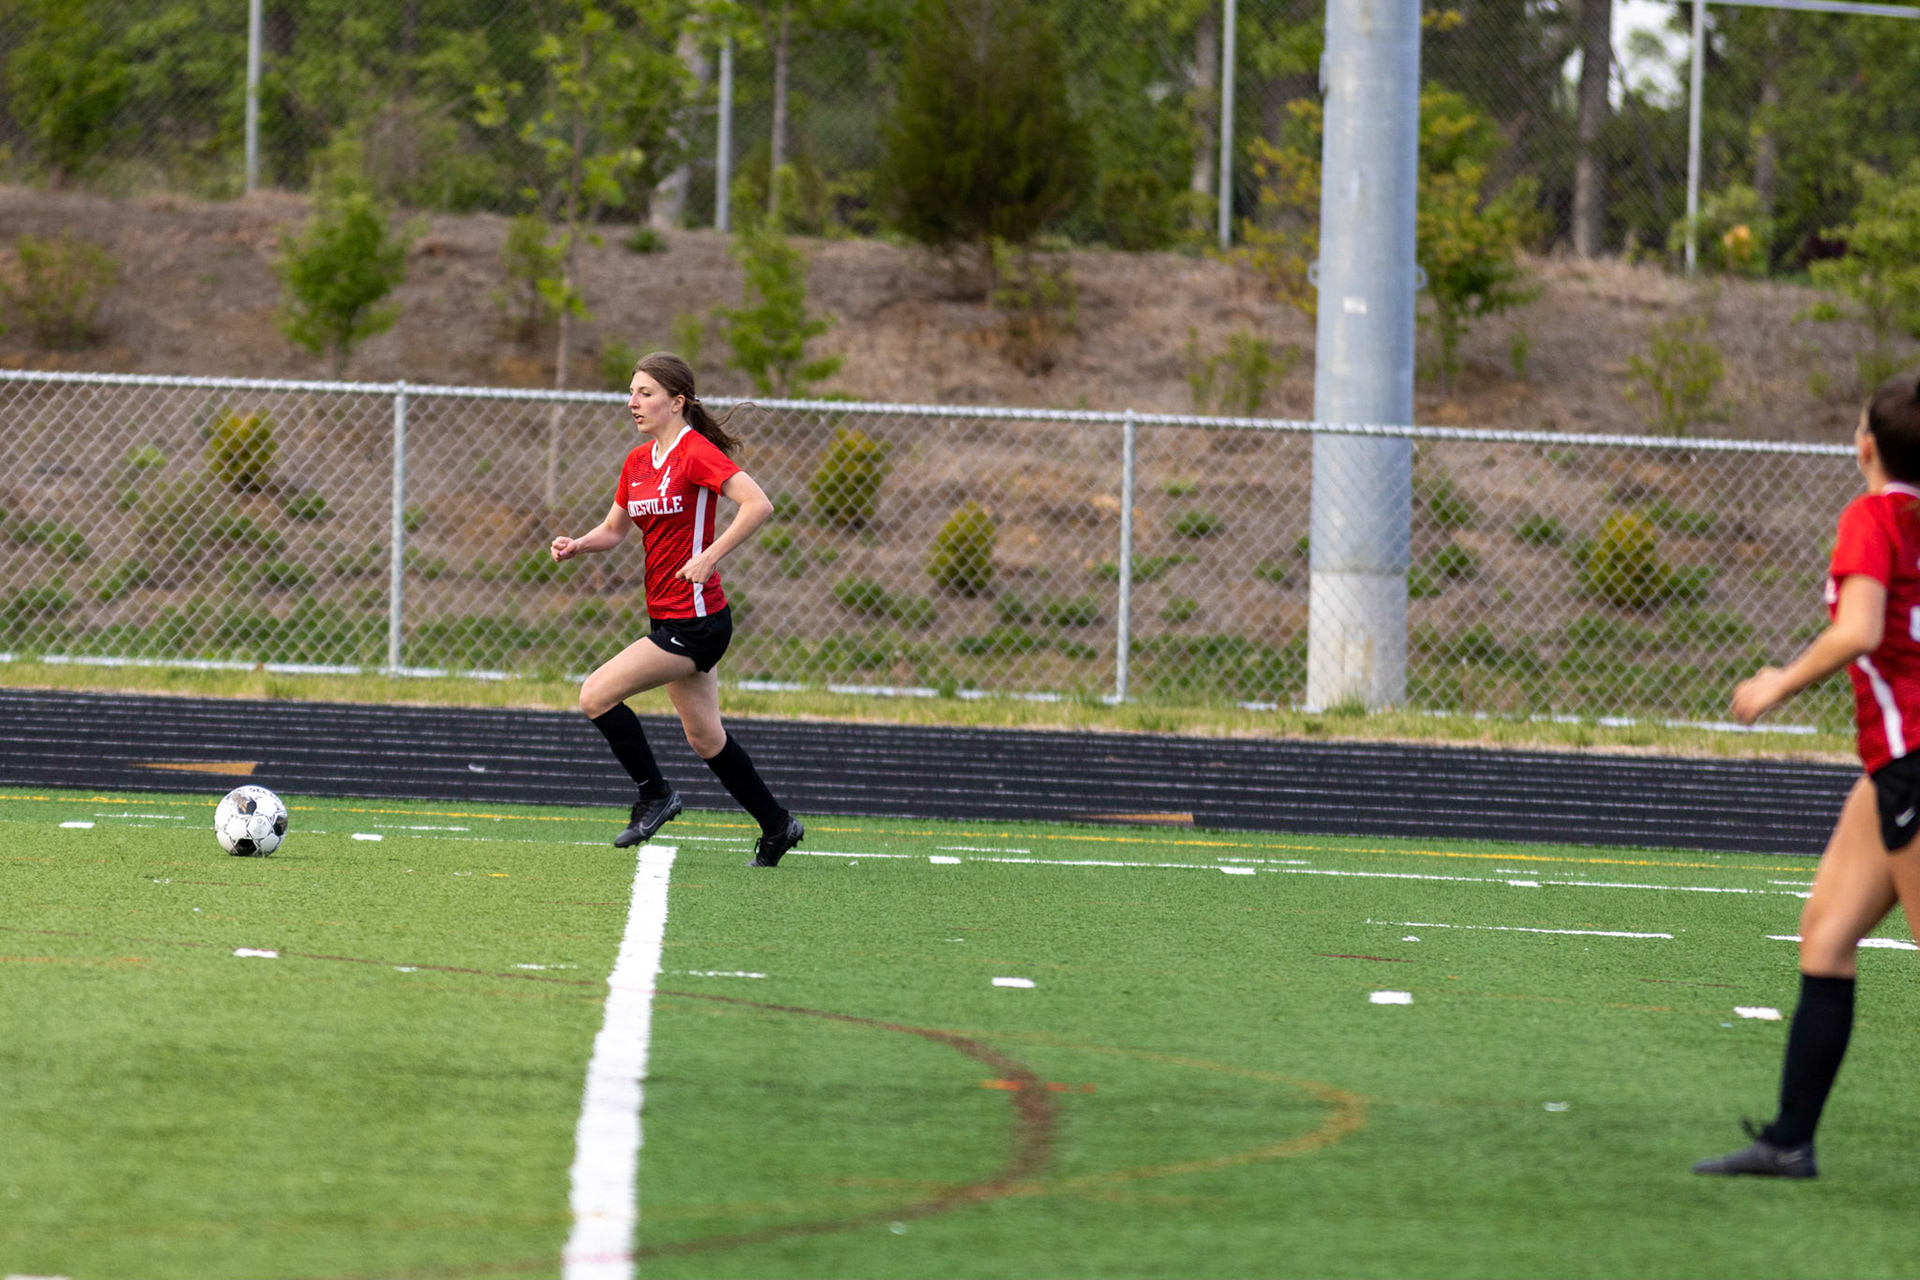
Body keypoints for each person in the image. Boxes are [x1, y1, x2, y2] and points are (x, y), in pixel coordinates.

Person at [1695, 374, 1920, 1178]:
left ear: (1866, 447)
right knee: (1826, 934)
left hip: (1913, 758)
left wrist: (1776, 684)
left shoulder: (1873, 516)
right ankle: (1789, 1140)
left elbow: (1858, 629)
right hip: (1892, 764)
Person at [550, 351, 805, 868]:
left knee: (595, 694)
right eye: (631, 392)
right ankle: (777, 825)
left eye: (645, 393)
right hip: (669, 616)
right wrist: (579, 544)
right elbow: (615, 530)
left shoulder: (695, 452)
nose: (633, 402)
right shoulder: (637, 462)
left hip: (698, 620)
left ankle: (655, 795)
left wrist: (710, 556)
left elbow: (758, 504)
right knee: (706, 738)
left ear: (677, 401)